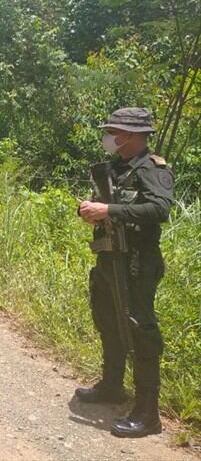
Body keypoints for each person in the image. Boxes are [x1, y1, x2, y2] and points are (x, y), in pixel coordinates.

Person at [76, 107, 174, 438]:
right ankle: (111, 387)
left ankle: (148, 414)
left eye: (114, 131)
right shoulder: (117, 169)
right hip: (108, 257)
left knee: (139, 331)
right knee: (108, 321)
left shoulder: (152, 169)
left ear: (131, 135)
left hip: (136, 262)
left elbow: (159, 209)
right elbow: (106, 202)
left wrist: (110, 209)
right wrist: (90, 210)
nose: (109, 137)